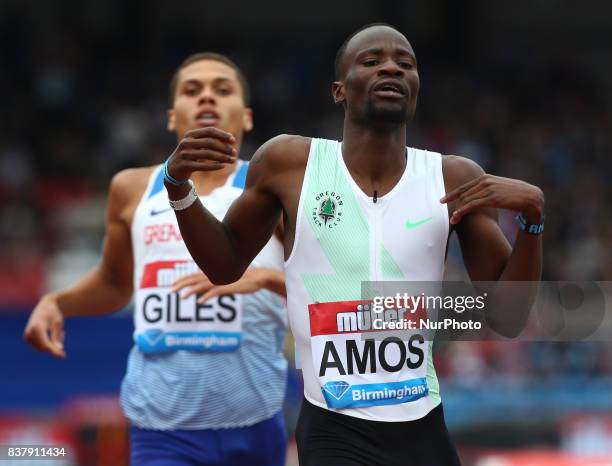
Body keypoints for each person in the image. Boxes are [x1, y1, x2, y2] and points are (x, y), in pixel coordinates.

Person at [164, 24, 545, 466]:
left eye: (406, 64)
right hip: (333, 429)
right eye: (372, 61)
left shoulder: (455, 179)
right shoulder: (289, 163)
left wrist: (533, 220)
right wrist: (178, 187)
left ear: (416, 89)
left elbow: (508, 317)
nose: (391, 68)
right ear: (339, 91)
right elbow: (225, 264)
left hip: (423, 427)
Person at [24, 52, 289, 466]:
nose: (206, 98)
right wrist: (57, 301)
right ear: (170, 117)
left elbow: (327, 289)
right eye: (191, 90)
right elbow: (114, 283)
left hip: (253, 422)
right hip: (162, 428)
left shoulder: (273, 190)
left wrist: (264, 279)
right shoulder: (131, 189)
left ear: (248, 116)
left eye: (222, 89)